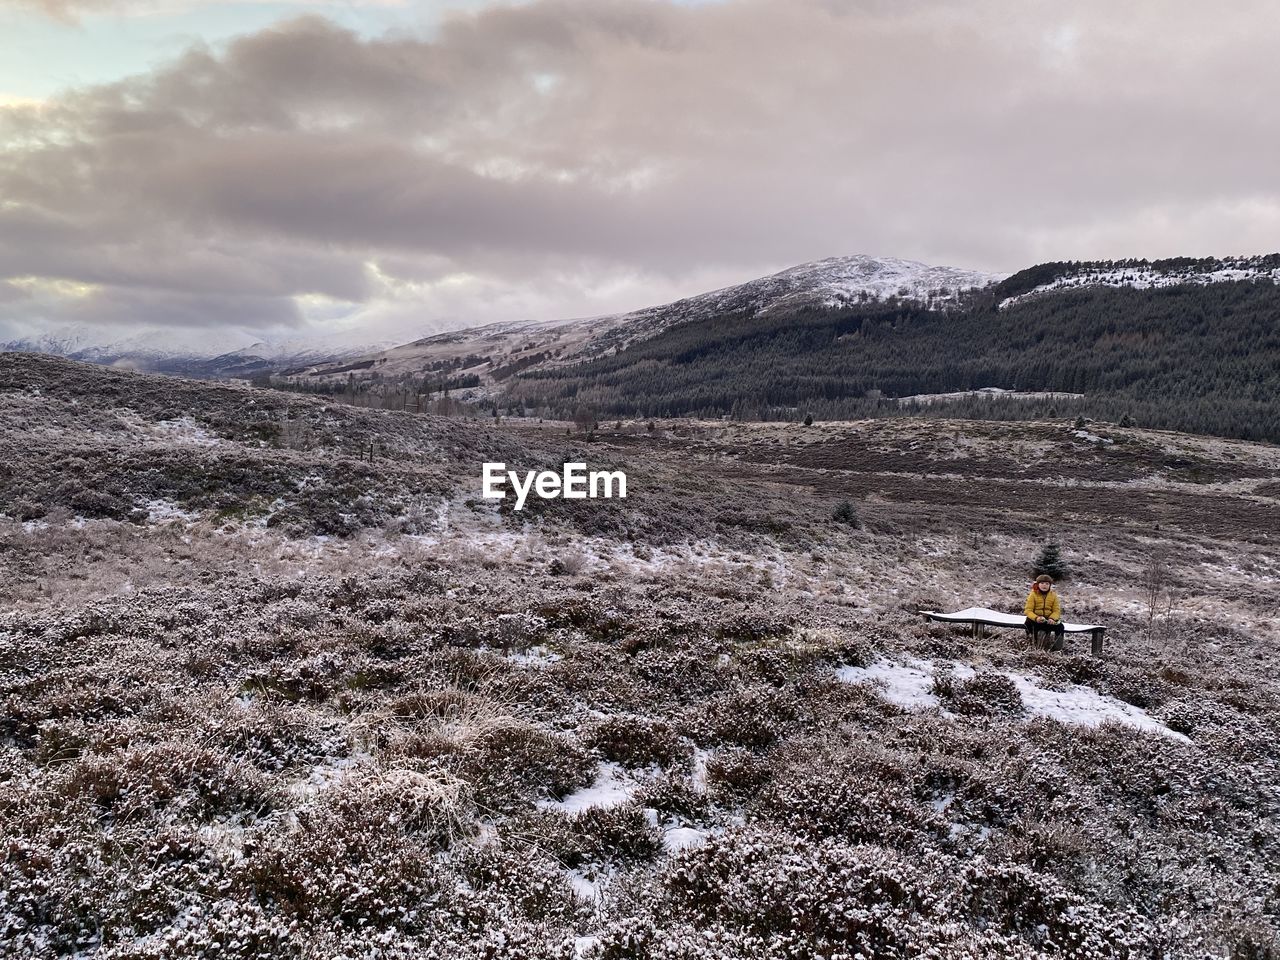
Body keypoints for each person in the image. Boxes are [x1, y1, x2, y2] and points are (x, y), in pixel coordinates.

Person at [1024, 574, 1065, 650]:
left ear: (1050, 585)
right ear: (1038, 584)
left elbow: (1056, 610)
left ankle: (1057, 649)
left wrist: (1052, 618)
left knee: (1060, 627)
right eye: (1042, 583)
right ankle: (1035, 648)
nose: (1044, 585)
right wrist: (1036, 618)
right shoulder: (1033, 595)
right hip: (1035, 619)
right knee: (1031, 626)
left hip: (1048, 620)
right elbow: (1028, 610)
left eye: (1047, 583)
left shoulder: (1053, 595)